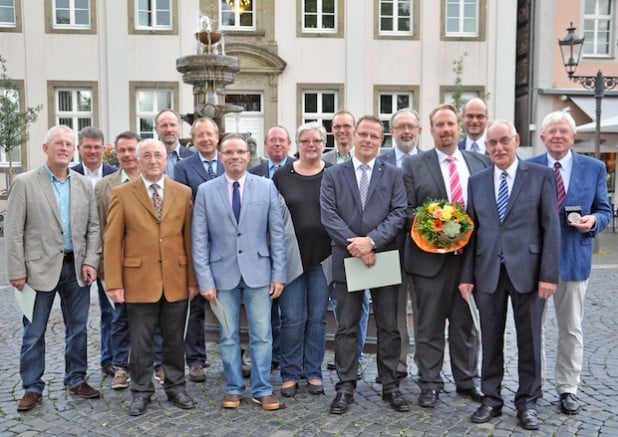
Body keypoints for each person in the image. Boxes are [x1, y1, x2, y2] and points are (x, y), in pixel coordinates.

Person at [459, 120, 560, 431]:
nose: (499, 148)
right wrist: (467, 276)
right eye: (493, 143)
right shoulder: (477, 181)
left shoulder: (540, 175)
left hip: (529, 273)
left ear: (516, 141)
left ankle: (528, 401)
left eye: (504, 141)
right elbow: (471, 232)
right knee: (490, 339)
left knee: (530, 339)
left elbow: (550, 227)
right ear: (486, 147)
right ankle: (491, 398)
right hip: (487, 271)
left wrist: (548, 275)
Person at [6, 125, 101, 411]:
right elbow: (13, 231)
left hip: (76, 269)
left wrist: (91, 261)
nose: (64, 148)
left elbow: (94, 227)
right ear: (45, 148)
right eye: (58, 143)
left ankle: (76, 379)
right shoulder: (25, 182)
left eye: (68, 144)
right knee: (34, 332)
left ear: (74, 151)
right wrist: (16, 271)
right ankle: (32, 387)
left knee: (78, 330)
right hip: (36, 271)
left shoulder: (83, 184)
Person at [321, 115, 409, 414]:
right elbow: (329, 215)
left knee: (389, 325)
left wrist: (371, 242)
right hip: (348, 257)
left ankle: (390, 385)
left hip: (383, 256)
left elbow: (399, 213)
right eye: (364, 134)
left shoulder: (393, 174)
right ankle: (345, 386)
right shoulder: (333, 174)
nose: (369, 140)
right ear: (354, 136)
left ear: (381, 139)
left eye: (375, 135)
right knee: (346, 326)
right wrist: (357, 246)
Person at [192, 134, 286, 411]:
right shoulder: (206, 191)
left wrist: (278, 273)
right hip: (222, 276)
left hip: (259, 272)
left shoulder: (266, 187)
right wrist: (205, 280)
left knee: (262, 334)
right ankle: (233, 388)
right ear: (221, 157)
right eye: (229, 152)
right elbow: (199, 239)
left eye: (241, 152)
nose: (235, 157)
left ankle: (263, 389)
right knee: (229, 336)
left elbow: (277, 234)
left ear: (249, 156)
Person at [104, 139, 198, 416]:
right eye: (147, 156)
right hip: (138, 280)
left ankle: (176, 386)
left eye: (158, 155)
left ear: (166, 159)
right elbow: (112, 242)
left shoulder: (183, 193)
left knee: (174, 339)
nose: (153, 160)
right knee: (141, 341)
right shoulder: (123, 194)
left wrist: (193, 279)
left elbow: (190, 238)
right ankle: (141, 391)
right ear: (138, 160)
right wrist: (114, 283)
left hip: (176, 279)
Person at [402, 103, 487, 408]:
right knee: (429, 326)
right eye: (440, 125)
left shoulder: (480, 162)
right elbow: (406, 210)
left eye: (451, 124)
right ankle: (429, 383)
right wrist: (435, 223)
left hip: (469, 262)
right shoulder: (414, 165)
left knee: (466, 326)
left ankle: (467, 381)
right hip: (429, 262)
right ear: (431, 130)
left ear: (459, 127)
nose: (447, 129)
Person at [529, 111, 612, 415]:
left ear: (573, 136)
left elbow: (605, 210)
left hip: (575, 258)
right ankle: (532, 385)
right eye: (552, 131)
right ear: (543, 137)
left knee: (571, 328)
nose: (558, 136)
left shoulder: (594, 168)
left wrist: (594, 221)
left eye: (564, 131)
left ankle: (568, 387)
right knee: (532, 328)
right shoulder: (530, 167)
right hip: (535, 262)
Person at [273, 122, 331, 397]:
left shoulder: (333, 174)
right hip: (291, 258)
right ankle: (290, 373)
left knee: (318, 319)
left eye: (317, 140)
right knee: (293, 318)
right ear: (297, 145)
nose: (311, 145)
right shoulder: (282, 177)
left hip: (324, 258)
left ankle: (314, 372)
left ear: (324, 144)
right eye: (306, 140)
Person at [174, 117, 224, 382]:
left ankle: (234, 354)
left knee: (230, 303)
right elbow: (184, 206)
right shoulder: (183, 168)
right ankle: (195, 359)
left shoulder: (230, 160)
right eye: (200, 135)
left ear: (218, 137)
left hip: (228, 246)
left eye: (209, 134)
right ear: (193, 140)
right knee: (195, 306)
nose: (205, 139)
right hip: (198, 244)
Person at [322, 110, 370, 377]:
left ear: (355, 130)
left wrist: (360, 242)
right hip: (330, 247)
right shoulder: (324, 160)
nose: (342, 131)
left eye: (347, 126)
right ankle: (344, 357)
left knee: (360, 306)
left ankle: (357, 357)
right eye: (337, 126)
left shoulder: (368, 160)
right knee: (337, 304)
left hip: (360, 248)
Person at [94, 131, 142, 390]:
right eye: (122, 150)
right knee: (118, 318)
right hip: (117, 266)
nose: (127, 155)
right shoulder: (104, 186)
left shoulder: (155, 180)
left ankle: (154, 365)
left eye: (131, 149)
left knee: (151, 317)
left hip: (147, 266)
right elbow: (100, 228)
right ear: (116, 154)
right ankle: (120, 366)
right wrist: (103, 266)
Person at [249, 125, 297, 372]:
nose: (277, 144)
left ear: (289, 144)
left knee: (290, 310)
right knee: (263, 309)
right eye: (272, 140)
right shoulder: (253, 172)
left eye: (282, 140)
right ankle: (268, 356)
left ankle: (286, 356)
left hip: (291, 250)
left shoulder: (298, 170)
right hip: (258, 251)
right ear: (266, 145)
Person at [71, 127, 117, 378]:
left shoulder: (113, 175)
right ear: (79, 148)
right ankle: (76, 372)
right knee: (77, 318)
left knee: (110, 311)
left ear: (104, 149)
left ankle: (108, 360)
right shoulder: (69, 174)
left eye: (97, 147)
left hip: (107, 255)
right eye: (87, 146)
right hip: (78, 256)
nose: (92, 151)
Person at [381, 108, 421, 378]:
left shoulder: (430, 162)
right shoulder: (381, 162)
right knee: (393, 314)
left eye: (411, 126)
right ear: (392, 131)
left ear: (419, 131)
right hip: (388, 248)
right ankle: (397, 365)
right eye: (400, 127)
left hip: (423, 252)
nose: (406, 131)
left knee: (423, 312)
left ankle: (427, 367)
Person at [154, 109, 194, 177]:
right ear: (156, 130)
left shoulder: (193, 157)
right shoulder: (148, 158)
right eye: (164, 125)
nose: (169, 129)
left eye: (172, 125)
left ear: (179, 127)